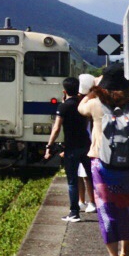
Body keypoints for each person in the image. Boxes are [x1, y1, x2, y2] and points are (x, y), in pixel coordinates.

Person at [79, 67, 129, 256]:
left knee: (106, 209)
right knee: (128, 208)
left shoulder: (94, 104)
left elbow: (81, 107)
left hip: (101, 164)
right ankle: (126, 249)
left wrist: (93, 89)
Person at [45, 76, 93, 222]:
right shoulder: (82, 104)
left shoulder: (63, 107)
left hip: (71, 148)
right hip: (86, 145)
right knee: (91, 177)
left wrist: (49, 146)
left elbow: (57, 128)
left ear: (64, 91)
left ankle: (74, 212)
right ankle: (99, 205)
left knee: (72, 181)